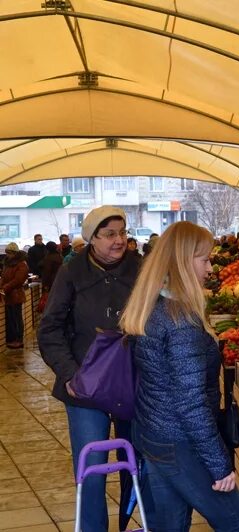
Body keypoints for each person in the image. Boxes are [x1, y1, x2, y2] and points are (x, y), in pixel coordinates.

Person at [119, 222, 239, 531]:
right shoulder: (181, 323)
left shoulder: (153, 306)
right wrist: (219, 466)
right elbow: (191, 404)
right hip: (180, 443)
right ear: (182, 262)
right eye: (204, 259)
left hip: (153, 435)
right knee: (236, 523)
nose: (209, 268)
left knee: (169, 527)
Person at [38, 206, 143, 532]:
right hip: (86, 389)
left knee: (139, 468)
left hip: (134, 384)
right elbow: (50, 329)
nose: (118, 240)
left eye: (122, 233)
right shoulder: (72, 273)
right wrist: (70, 375)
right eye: (109, 234)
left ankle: (132, 524)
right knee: (91, 471)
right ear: (92, 238)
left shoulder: (141, 268)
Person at [2, 243, 29, 349]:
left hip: (16, 295)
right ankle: (13, 338)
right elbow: (4, 277)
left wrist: (5, 287)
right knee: (11, 319)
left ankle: (19, 340)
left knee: (16, 318)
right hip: (9, 295)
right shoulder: (8, 264)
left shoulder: (21, 264)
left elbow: (18, 280)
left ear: (14, 253)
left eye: (9, 253)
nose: (7, 255)